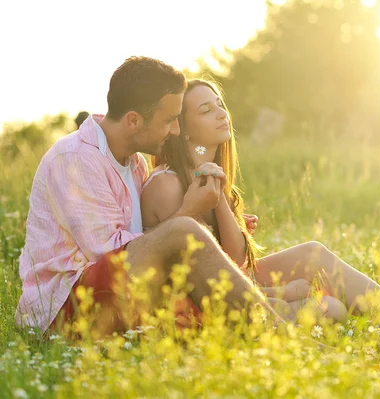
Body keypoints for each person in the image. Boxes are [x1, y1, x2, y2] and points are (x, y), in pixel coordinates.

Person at [16, 57, 280, 336]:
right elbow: (109, 256)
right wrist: (188, 212)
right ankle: (275, 332)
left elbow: (146, 242)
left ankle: (268, 326)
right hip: (65, 309)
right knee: (183, 231)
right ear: (133, 121)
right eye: (169, 121)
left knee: (191, 274)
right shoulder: (75, 158)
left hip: (119, 294)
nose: (176, 131)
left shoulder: (136, 163)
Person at [141, 79, 380, 325]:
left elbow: (237, 259)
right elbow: (190, 282)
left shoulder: (208, 174)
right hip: (193, 307)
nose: (221, 114)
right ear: (184, 128)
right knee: (330, 309)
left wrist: (219, 199)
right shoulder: (168, 184)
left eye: (220, 105)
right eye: (206, 110)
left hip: (231, 283)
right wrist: (282, 292)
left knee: (313, 254)